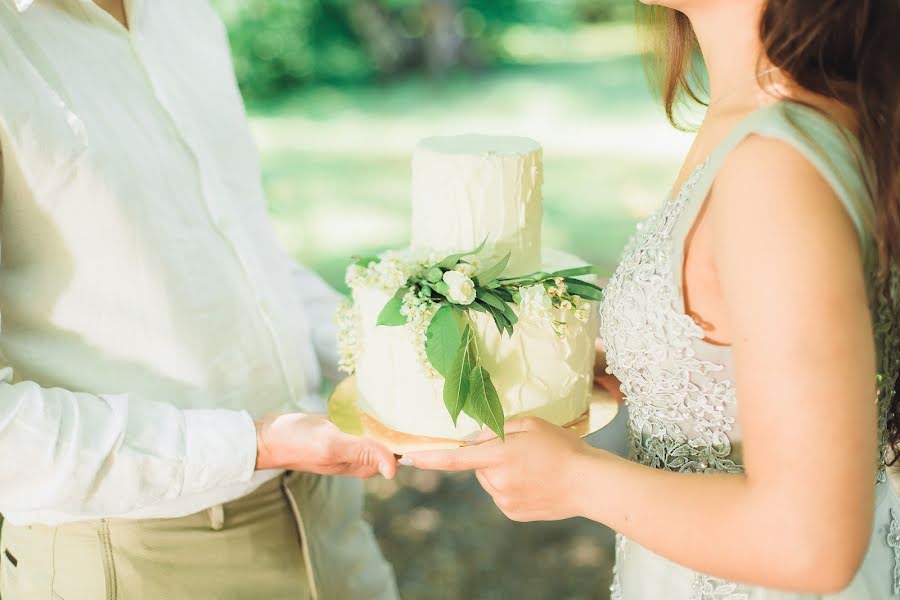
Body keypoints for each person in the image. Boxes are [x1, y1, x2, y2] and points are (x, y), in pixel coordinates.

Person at [403, 0, 900, 597]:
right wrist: (640, 364)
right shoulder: (788, 119)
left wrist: (576, 480)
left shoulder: (776, 160)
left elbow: (809, 544)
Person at [0, 1, 400, 598]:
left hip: (330, 522)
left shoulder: (185, 13)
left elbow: (240, 257)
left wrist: (394, 357)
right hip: (137, 561)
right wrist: (252, 444)